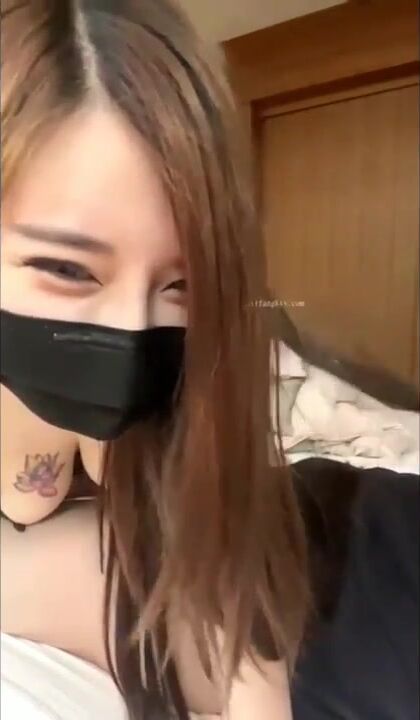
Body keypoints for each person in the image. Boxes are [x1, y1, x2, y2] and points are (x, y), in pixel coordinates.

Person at [0, 1, 309, 718]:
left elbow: (244, 659)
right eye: (68, 269)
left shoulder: (181, 394)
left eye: (181, 285)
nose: (131, 329)